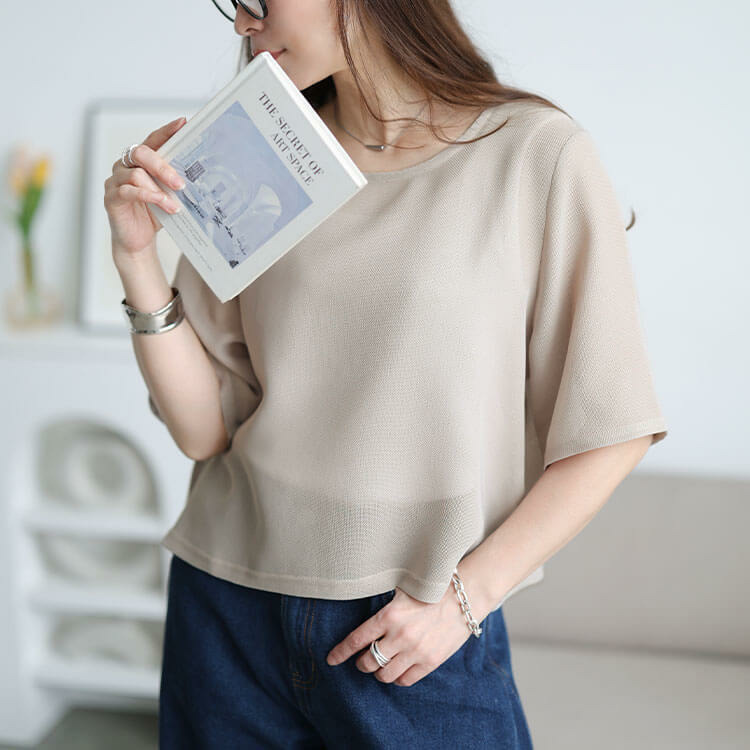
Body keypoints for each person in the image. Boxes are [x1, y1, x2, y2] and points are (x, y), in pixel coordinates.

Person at [104, 1, 669, 747]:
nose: (243, 23)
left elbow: (611, 429)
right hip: (227, 610)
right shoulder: (259, 154)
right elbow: (204, 432)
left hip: (409, 628)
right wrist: (137, 260)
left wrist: (464, 600)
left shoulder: (532, 153)